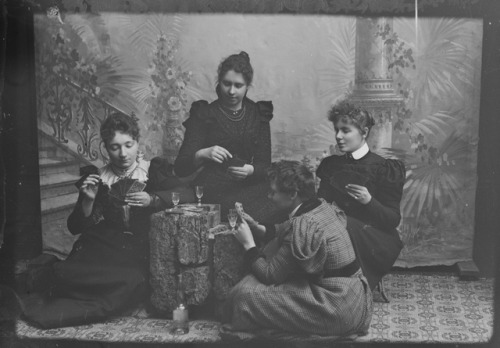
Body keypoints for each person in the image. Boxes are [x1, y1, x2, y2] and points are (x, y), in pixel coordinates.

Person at [22, 112, 194, 328]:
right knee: (67, 274)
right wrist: (88, 200)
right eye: (115, 147)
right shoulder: (99, 177)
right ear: (105, 148)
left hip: (138, 246)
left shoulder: (153, 170)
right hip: (103, 243)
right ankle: (54, 273)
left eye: (128, 145)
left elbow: (187, 193)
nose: (123, 153)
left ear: (137, 142)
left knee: (129, 282)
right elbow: (74, 227)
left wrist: (153, 199)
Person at [221, 161, 372, 338]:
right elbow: (286, 228)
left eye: (273, 192)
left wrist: (248, 244)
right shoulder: (320, 207)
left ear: (293, 194)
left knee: (243, 297)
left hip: (336, 304)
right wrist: (257, 227)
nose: (269, 196)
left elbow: (270, 275)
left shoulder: (302, 225)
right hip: (356, 296)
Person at [174, 51, 281, 223]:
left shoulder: (258, 114)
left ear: (248, 86)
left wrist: (250, 170)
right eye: (226, 84)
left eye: (238, 86)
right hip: (214, 189)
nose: (231, 91)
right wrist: (203, 154)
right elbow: (180, 168)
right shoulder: (205, 114)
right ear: (219, 82)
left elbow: (264, 165)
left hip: (248, 186)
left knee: (277, 197)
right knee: (242, 208)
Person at [316, 100, 405, 290]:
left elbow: (393, 219)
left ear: (364, 132)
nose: (338, 136)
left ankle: (351, 291)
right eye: (337, 130)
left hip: (373, 237)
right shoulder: (331, 165)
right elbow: (320, 203)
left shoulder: (384, 168)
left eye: (346, 130)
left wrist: (369, 201)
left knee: (340, 226)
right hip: (336, 232)